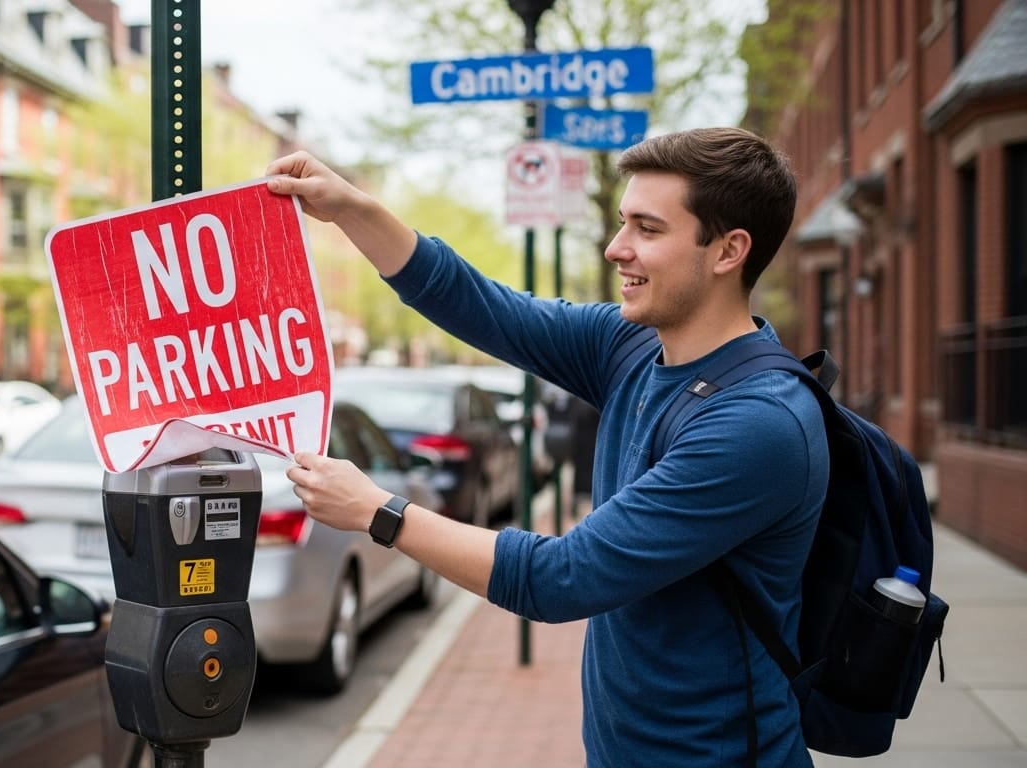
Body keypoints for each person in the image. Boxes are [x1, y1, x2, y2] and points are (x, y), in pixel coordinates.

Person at [267, 127, 829, 767]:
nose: (618, 248)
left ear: (729, 250)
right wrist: (352, 209)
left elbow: (561, 578)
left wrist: (378, 511)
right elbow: (483, 307)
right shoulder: (632, 346)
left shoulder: (758, 425)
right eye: (622, 223)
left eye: (647, 229)